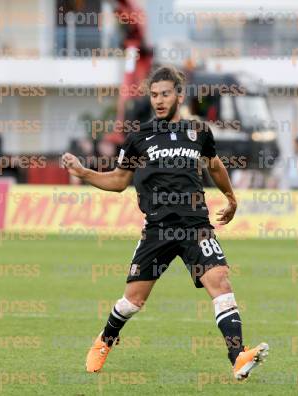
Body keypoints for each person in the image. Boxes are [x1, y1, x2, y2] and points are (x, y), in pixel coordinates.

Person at [62, 66, 269, 380]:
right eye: (154, 94)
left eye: (165, 94)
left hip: (196, 226)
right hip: (158, 228)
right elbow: (119, 181)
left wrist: (231, 198)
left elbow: (214, 166)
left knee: (222, 285)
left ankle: (238, 356)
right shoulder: (139, 137)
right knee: (133, 301)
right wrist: (84, 173)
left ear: (179, 95)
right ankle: (105, 340)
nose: (159, 100)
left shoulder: (199, 131)